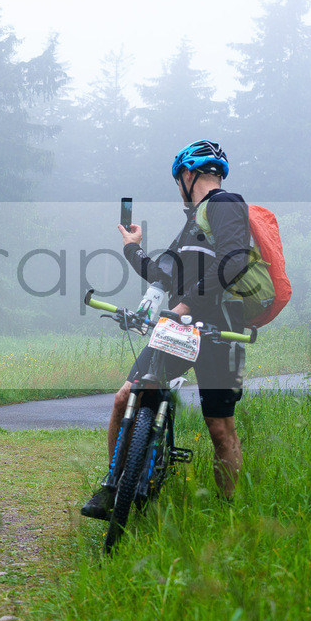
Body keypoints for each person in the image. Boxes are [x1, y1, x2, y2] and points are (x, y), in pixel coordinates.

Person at [82, 140, 251, 519]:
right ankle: (115, 489)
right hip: (179, 327)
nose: (180, 191)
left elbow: (235, 259)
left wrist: (186, 305)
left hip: (218, 331)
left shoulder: (226, 204)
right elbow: (163, 275)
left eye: (179, 182)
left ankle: (225, 516)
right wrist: (132, 248)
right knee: (125, 397)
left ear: (188, 175)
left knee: (219, 427)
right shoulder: (194, 224)